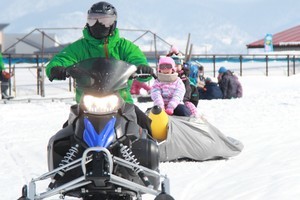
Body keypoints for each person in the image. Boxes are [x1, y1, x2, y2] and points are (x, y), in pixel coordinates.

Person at [46, 1, 154, 134]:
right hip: (86, 103)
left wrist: (142, 68)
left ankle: (154, 153)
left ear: (114, 23)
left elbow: (137, 59)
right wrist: (57, 68)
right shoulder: (80, 47)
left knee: (148, 130)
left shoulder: (124, 46)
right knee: (65, 137)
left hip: (122, 102)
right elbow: (63, 58)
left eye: (105, 21)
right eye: (93, 20)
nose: (98, 25)